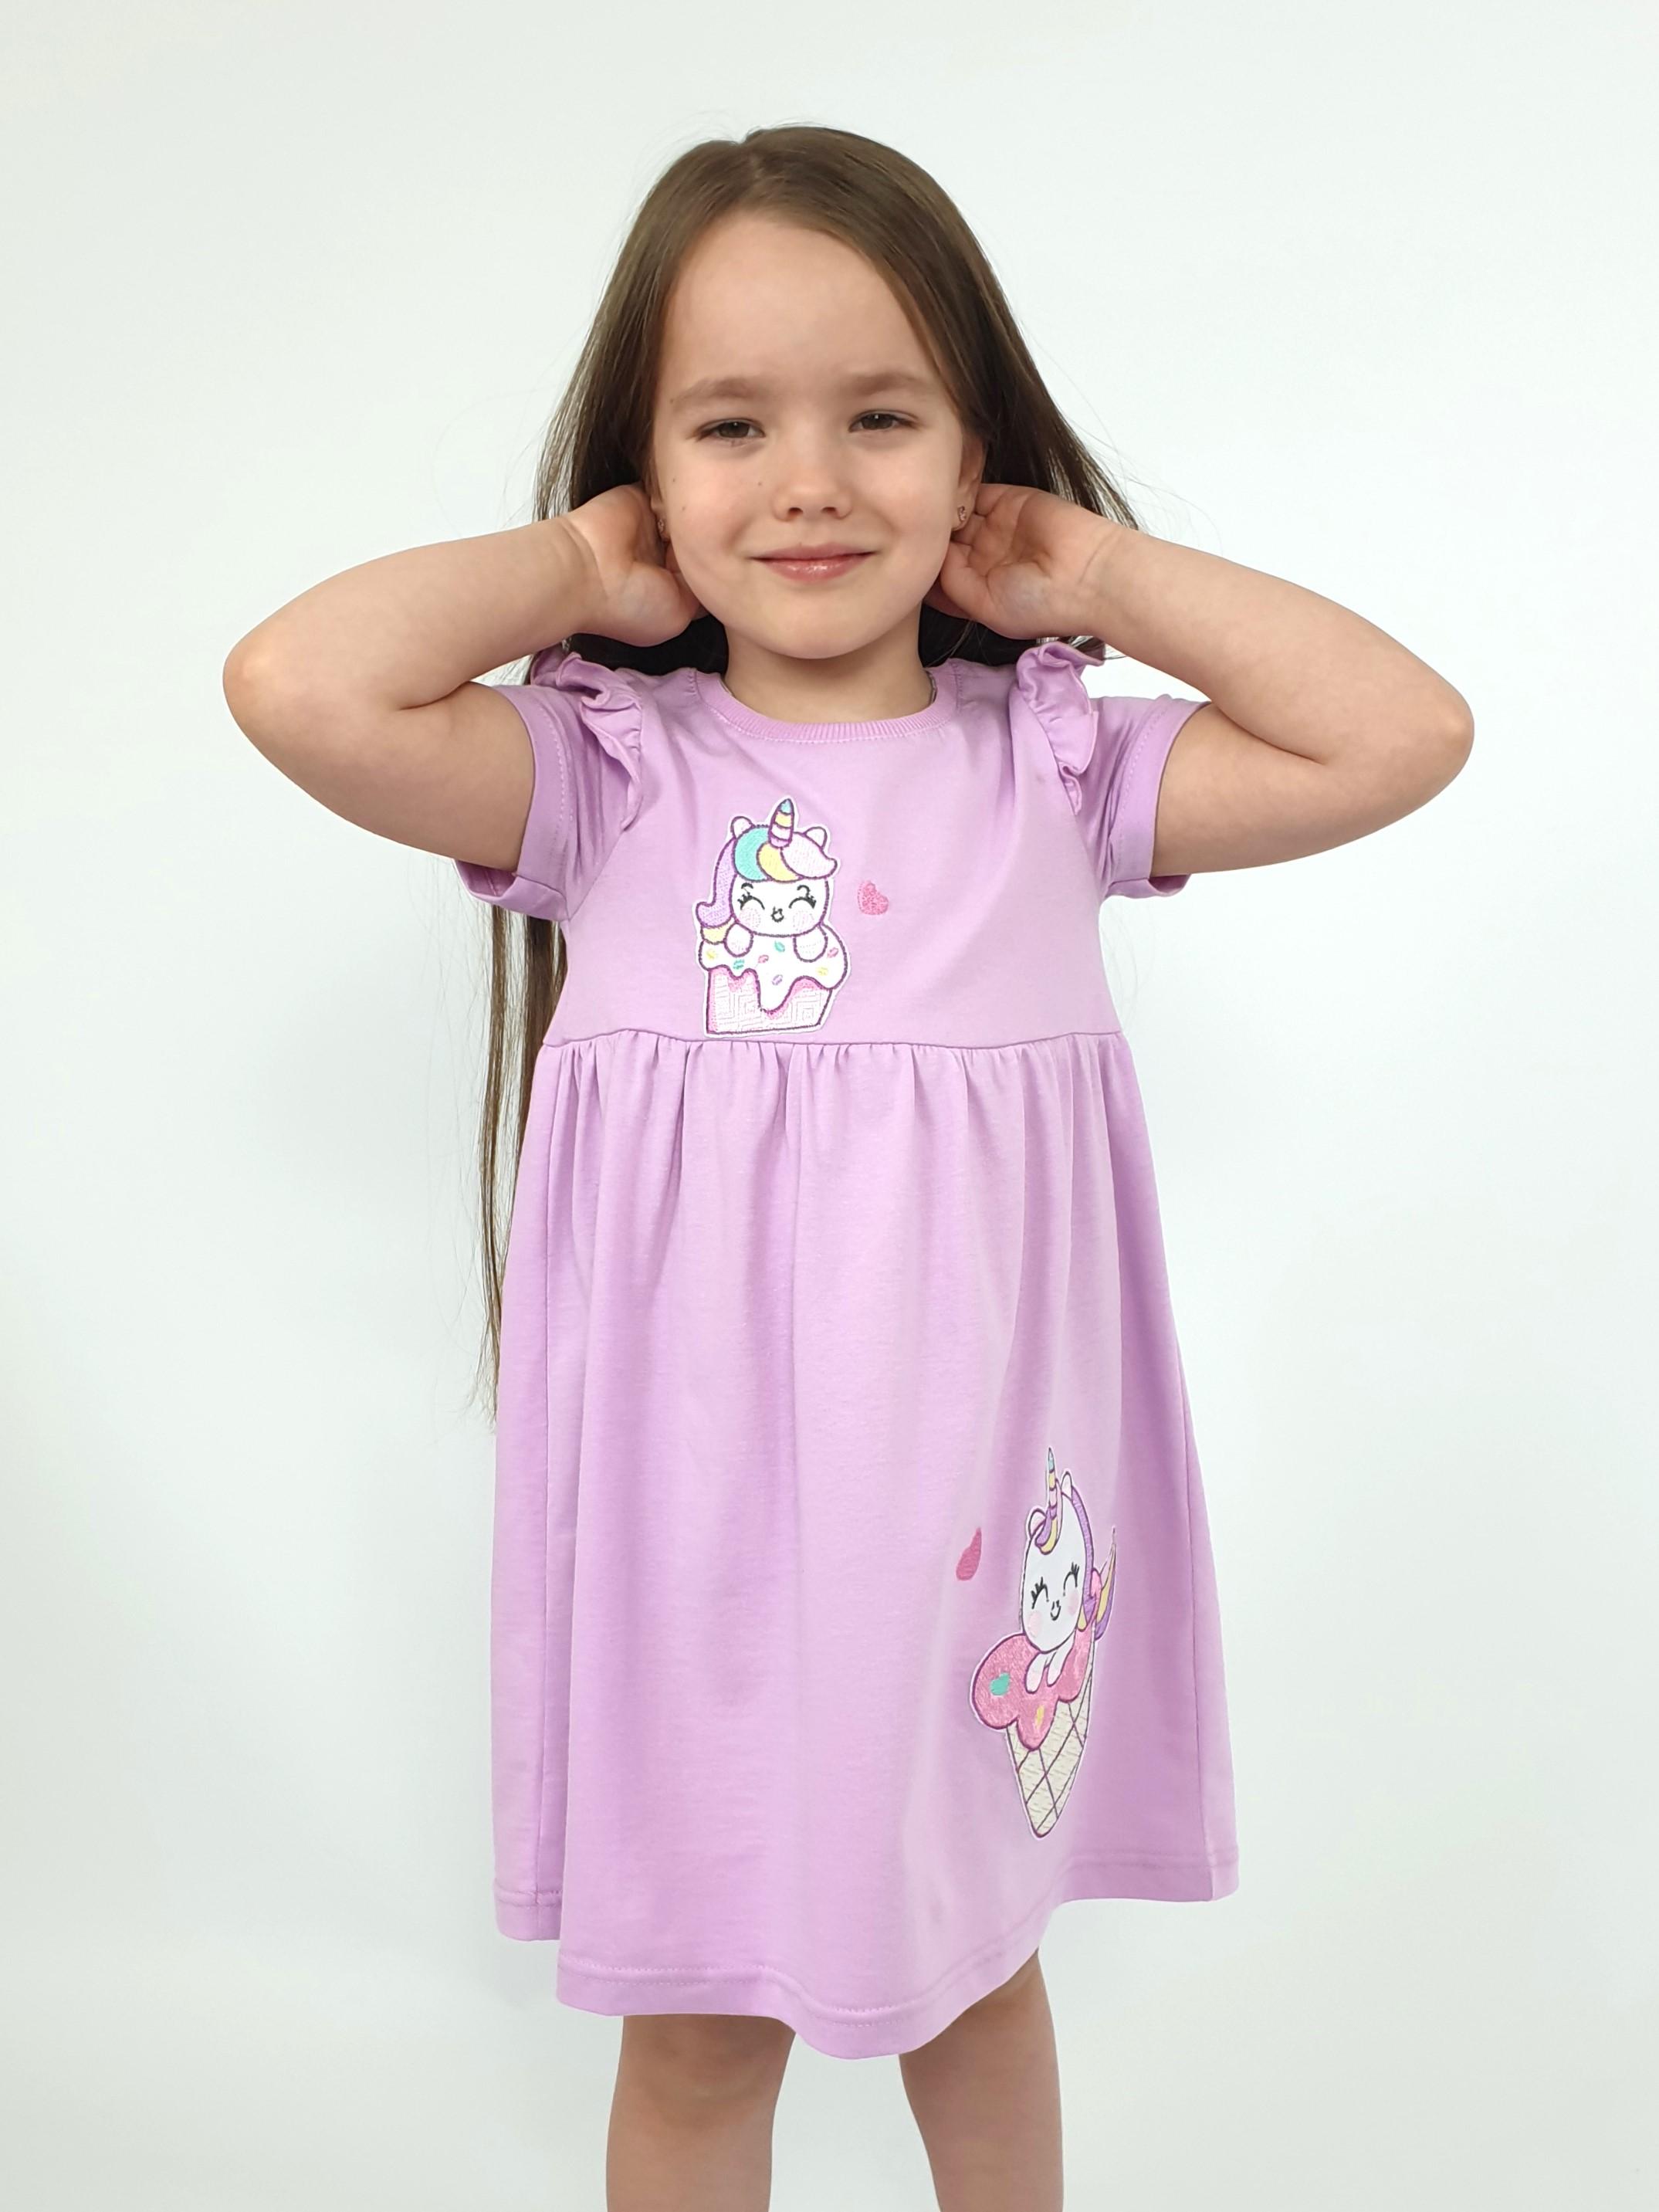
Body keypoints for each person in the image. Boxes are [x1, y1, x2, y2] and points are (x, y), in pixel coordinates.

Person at [222, 124, 1473, 2212]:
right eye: (732, 425)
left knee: (978, 1990)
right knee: (701, 2032)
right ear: (649, 471)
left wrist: (1098, 578)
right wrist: (574, 572)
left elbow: (1401, 733)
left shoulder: (1053, 767)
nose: (807, 479)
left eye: (879, 416)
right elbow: (295, 683)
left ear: (973, 453)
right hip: (699, 1551)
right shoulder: (603, 774)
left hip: (970, 1533)